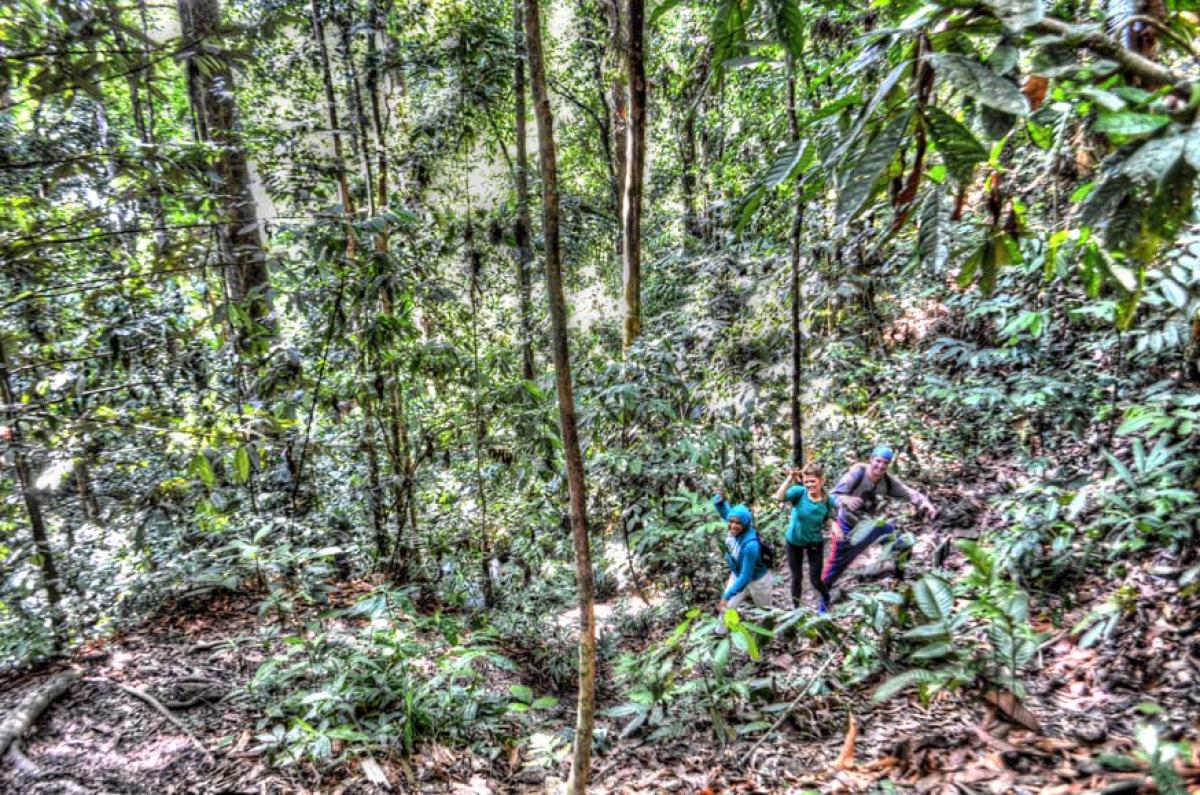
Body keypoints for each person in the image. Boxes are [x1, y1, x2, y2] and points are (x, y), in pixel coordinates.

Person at [820, 445, 937, 611]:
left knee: (903, 543)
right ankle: (821, 606)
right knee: (835, 568)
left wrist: (924, 501)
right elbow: (830, 496)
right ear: (871, 460)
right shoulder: (856, 474)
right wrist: (844, 499)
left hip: (872, 526)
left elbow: (908, 492)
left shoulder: (887, 481)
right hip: (848, 528)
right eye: (878, 461)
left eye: (885, 463)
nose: (880, 466)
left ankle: (899, 582)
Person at [774, 463, 834, 611]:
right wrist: (789, 478)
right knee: (797, 577)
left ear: (822, 481)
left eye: (812, 481)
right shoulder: (799, 493)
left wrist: (832, 528)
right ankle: (796, 610)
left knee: (815, 579)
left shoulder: (828, 501)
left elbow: (827, 519)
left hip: (814, 542)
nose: (809, 484)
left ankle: (826, 597)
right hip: (794, 541)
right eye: (806, 481)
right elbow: (778, 497)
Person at [713, 491, 772, 625]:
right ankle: (719, 633)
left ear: (745, 524)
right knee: (726, 608)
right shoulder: (733, 521)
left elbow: (746, 576)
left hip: (758, 579)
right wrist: (719, 498)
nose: (733, 526)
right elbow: (721, 508)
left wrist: (726, 596)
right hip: (737, 573)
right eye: (731, 522)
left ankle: (767, 637)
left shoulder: (751, 545)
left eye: (737, 523)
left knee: (765, 611)